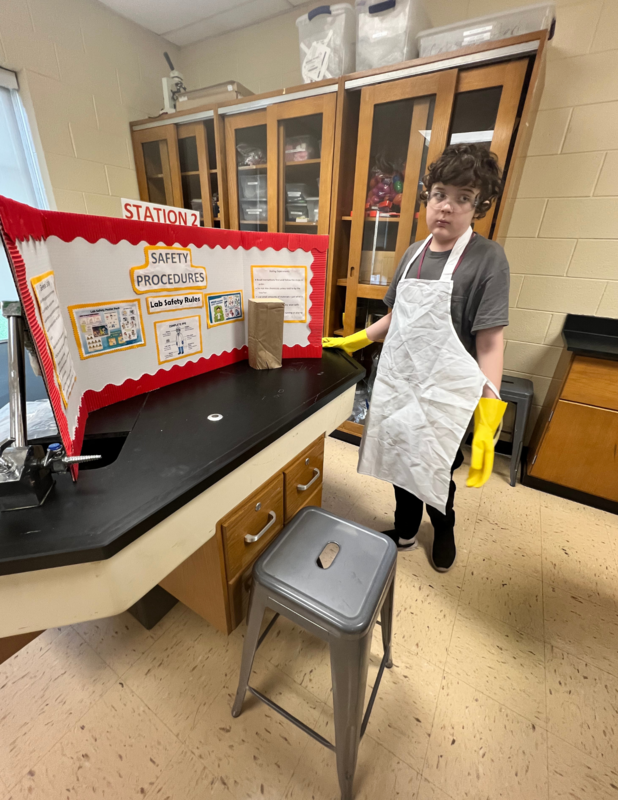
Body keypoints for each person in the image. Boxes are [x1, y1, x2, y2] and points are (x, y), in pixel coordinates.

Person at [323, 144, 509, 572]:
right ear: (428, 195)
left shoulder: (488, 260)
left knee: (434, 466)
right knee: (398, 457)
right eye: (441, 193)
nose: (447, 207)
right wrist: (354, 339)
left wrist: (488, 411)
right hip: (402, 381)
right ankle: (405, 530)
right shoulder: (412, 254)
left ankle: (444, 529)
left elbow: (490, 343)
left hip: (447, 391)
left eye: (463, 198)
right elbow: (395, 316)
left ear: (477, 205)